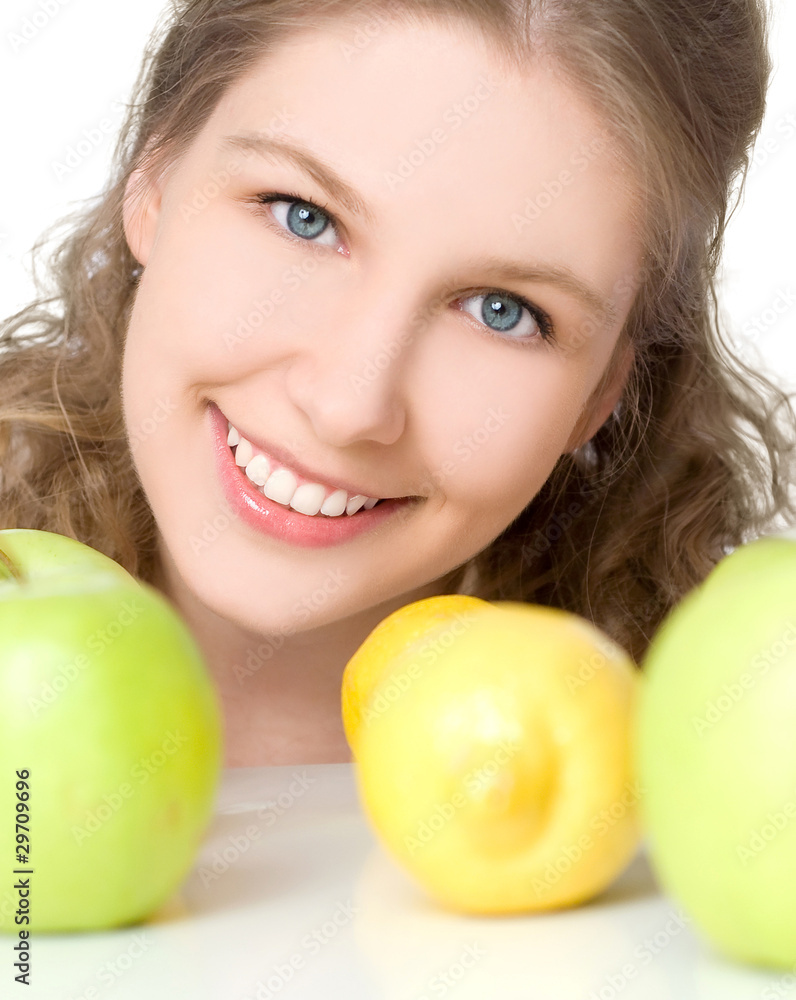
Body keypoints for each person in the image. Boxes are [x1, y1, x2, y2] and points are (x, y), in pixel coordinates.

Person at [1, 0, 794, 767]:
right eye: (303, 216)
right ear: (154, 180)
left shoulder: (709, 761)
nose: (349, 407)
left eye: (502, 311)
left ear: (600, 395)